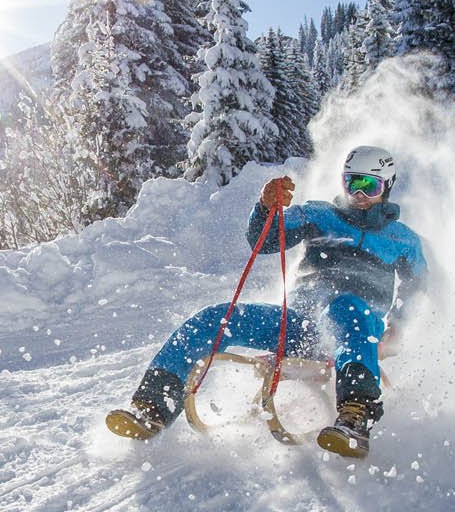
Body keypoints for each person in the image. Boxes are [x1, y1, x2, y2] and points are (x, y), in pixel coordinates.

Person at [105, 145, 429, 458]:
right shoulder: (320, 215)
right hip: (301, 324)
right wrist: (264, 206)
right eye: (352, 183)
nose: (358, 195)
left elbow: (417, 288)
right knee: (217, 317)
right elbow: (266, 240)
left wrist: (397, 327)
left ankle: (355, 418)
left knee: (347, 307)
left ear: (387, 187)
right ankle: (151, 407)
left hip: (356, 333)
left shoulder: (402, 240)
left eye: (368, 186)